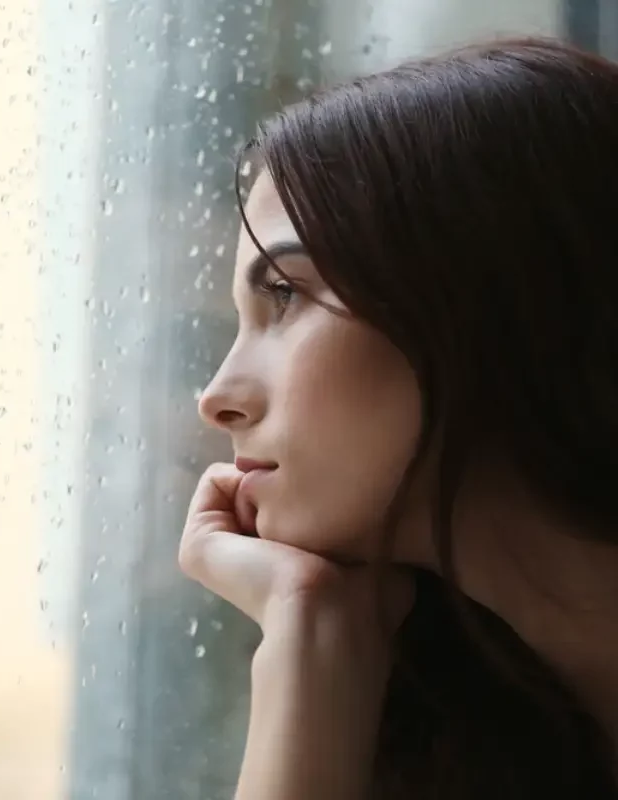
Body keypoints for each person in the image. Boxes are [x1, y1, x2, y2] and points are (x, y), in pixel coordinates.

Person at [178, 37, 618, 799]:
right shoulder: (461, 738)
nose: (217, 397)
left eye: (283, 296)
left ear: (495, 294)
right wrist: (307, 634)